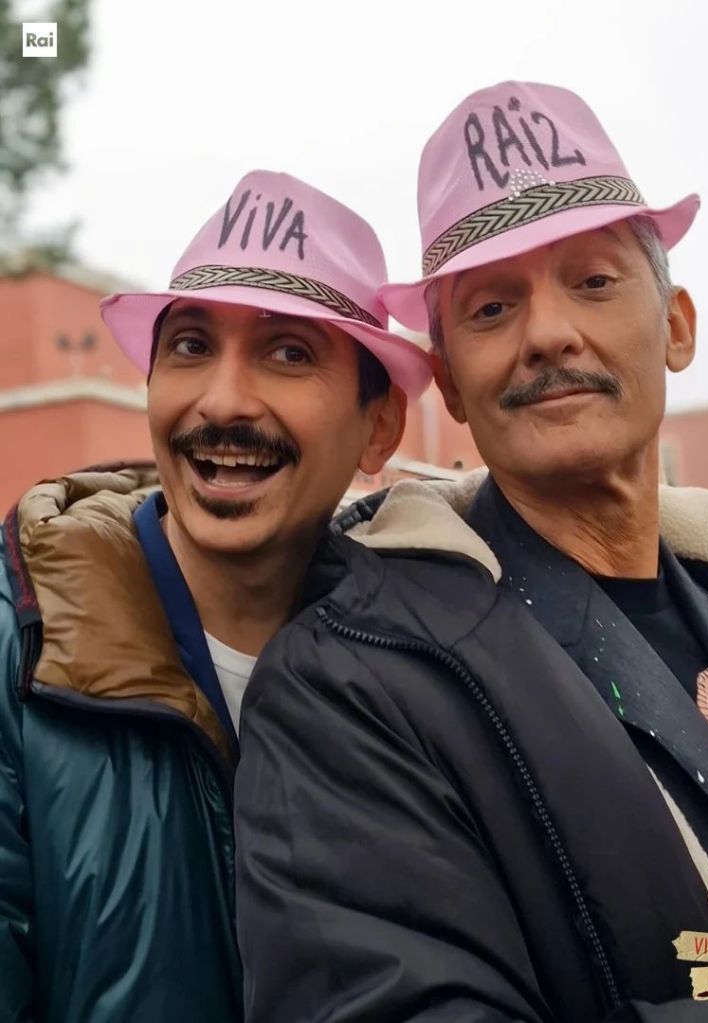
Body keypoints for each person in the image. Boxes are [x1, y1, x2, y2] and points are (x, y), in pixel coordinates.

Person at [235, 86, 708, 1021]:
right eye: (492, 306)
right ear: (449, 384)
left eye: (592, 282)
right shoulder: (349, 690)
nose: (546, 334)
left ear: (676, 325)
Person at [0, 169, 429, 1023]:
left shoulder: (433, 672)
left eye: (289, 352)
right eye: (191, 346)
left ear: (378, 426)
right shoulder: (20, 651)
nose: (223, 400)